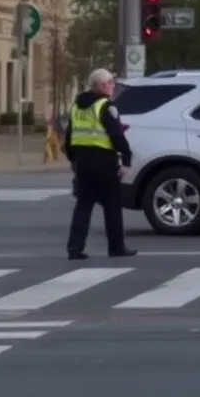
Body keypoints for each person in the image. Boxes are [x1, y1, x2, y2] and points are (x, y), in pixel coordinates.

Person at [64, 68, 136, 260]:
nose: (113, 86)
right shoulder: (106, 106)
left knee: (83, 205)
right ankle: (116, 247)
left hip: (82, 161)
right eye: (111, 83)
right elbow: (116, 135)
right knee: (112, 205)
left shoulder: (77, 107)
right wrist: (127, 159)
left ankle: (74, 248)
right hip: (104, 161)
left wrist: (73, 160)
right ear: (102, 85)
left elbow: (69, 136)